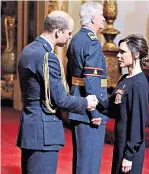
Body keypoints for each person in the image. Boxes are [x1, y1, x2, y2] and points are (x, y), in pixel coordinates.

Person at [16, 10, 99, 174]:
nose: (70, 37)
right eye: (68, 33)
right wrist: (86, 103)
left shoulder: (28, 50)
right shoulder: (48, 57)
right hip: (44, 132)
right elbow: (60, 100)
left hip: (31, 127)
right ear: (58, 31)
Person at [66, 2, 109, 174]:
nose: (104, 18)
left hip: (78, 104)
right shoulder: (93, 43)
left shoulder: (76, 39)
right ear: (92, 18)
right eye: (101, 15)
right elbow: (92, 80)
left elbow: (71, 76)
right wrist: (96, 112)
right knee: (89, 163)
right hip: (89, 110)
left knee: (82, 161)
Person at [99, 34, 149, 174]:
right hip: (120, 146)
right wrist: (93, 102)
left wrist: (129, 156)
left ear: (136, 54)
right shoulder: (125, 79)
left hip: (130, 151)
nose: (118, 56)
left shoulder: (139, 83)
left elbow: (138, 123)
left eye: (123, 52)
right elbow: (112, 109)